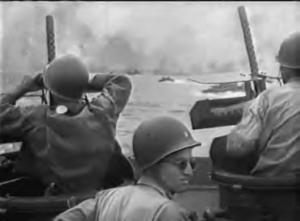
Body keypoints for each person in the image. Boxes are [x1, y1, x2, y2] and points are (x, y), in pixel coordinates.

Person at [0, 54, 133, 195]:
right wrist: (78, 81)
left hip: (54, 199)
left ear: (50, 89)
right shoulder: (103, 111)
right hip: (95, 193)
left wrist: (23, 88)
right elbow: (121, 81)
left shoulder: (37, 118)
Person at [54, 116, 201, 221]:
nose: (189, 171)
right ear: (154, 162)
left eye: (192, 163)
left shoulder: (106, 198)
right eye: (181, 164)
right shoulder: (169, 212)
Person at [226, 32, 300, 177]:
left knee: (219, 147)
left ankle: (239, 195)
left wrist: (248, 115)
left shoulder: (269, 98)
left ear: (284, 69)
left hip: (273, 182)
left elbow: (238, 148)